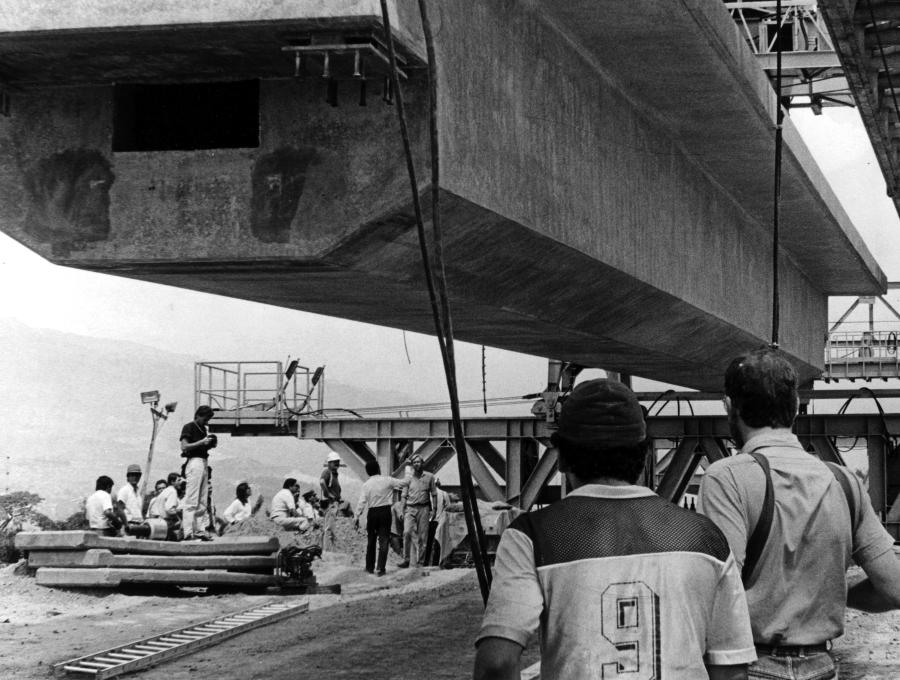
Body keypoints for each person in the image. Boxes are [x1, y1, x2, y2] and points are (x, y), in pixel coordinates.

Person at [474, 379, 755, 680]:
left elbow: (497, 663)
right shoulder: (705, 537)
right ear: (645, 454)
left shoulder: (531, 535)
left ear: (563, 458)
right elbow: (731, 670)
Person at [698, 348, 900, 679]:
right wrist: (824, 592)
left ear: (729, 407)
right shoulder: (842, 480)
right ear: (795, 409)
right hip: (822, 668)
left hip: (753, 667)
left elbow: (718, 595)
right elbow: (895, 587)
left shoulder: (727, 477)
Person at [354, 460, 409, 576]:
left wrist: (356, 516)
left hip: (372, 512)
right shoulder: (387, 480)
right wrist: (408, 469)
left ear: (368, 472)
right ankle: (380, 568)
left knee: (371, 541)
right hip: (385, 512)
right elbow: (403, 483)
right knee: (384, 541)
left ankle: (369, 567)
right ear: (378, 469)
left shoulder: (366, 484)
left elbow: (361, 502)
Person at [179, 405, 216, 541]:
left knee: (202, 499)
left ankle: (200, 530)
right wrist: (201, 442)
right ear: (199, 415)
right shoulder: (189, 427)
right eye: (206, 418)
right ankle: (188, 532)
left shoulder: (203, 429)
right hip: (194, 462)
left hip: (203, 462)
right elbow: (184, 446)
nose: (207, 421)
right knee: (192, 499)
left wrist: (208, 444)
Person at [399, 454, 437, 568]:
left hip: (424, 508)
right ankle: (406, 560)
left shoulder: (430, 477)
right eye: (414, 462)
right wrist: (402, 510)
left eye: (418, 462)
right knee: (406, 532)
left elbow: (434, 494)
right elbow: (403, 496)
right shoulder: (408, 479)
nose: (416, 464)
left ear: (423, 463)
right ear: (412, 465)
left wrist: (434, 509)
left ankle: (421, 563)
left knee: (423, 537)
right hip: (410, 508)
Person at [147, 472, 185, 541]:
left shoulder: (165, 491)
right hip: (167, 523)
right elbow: (169, 509)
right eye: (178, 480)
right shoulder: (173, 491)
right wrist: (179, 513)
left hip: (159, 522)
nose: (180, 482)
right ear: (172, 482)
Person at [320, 451, 343, 551]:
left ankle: (330, 549)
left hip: (334, 503)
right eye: (334, 462)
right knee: (329, 528)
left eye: (337, 462)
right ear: (329, 463)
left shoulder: (334, 474)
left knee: (331, 527)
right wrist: (329, 494)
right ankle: (326, 550)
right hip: (331, 503)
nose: (337, 464)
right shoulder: (327, 472)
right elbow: (321, 482)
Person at [425, 477, 451, 566]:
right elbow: (448, 508)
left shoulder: (427, 494)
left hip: (428, 521)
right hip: (439, 521)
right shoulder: (444, 494)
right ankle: (435, 564)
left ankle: (425, 563)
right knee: (437, 543)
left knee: (427, 543)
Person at [115, 464, 144, 532]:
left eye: (137, 475)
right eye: (132, 475)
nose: (135, 477)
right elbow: (119, 509)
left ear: (140, 477)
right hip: (129, 525)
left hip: (139, 526)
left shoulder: (137, 492)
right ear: (128, 477)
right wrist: (126, 525)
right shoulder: (124, 490)